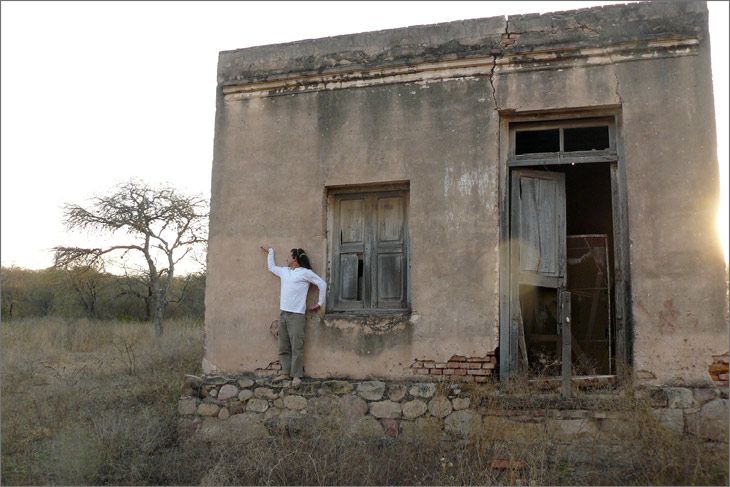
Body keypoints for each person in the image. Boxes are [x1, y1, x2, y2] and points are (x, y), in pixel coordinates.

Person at [260, 246, 326, 388]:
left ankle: (296, 376)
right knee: (283, 345)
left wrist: (319, 303)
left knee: (297, 346)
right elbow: (271, 267)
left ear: (295, 259)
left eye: (289, 256)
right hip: (283, 314)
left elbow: (322, 284)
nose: (286, 259)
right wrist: (271, 251)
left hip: (297, 315)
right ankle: (285, 372)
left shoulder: (305, 273)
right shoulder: (285, 272)